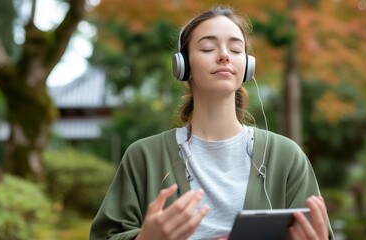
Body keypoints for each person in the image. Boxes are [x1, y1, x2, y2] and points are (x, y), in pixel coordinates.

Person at [90, 5, 334, 240]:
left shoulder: (286, 156)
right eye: (207, 48)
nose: (224, 56)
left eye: (236, 50)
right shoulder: (144, 156)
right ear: (183, 66)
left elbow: (315, 229)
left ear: (247, 67)